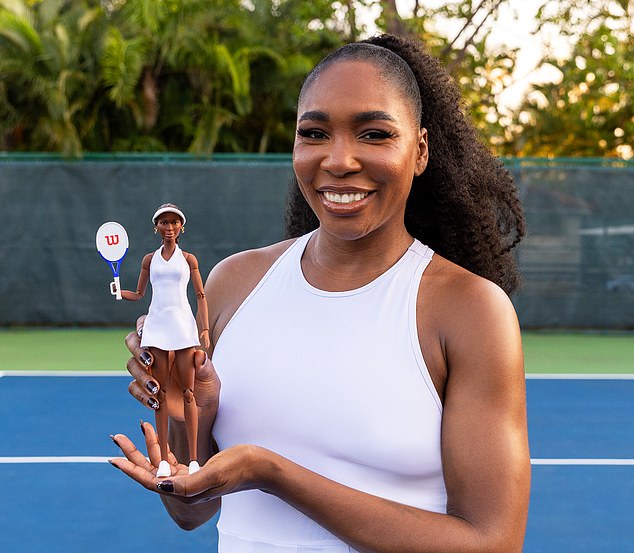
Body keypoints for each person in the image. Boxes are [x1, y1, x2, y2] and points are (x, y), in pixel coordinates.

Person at [109, 33, 530, 552]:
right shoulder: (235, 283)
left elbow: (493, 543)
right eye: (314, 133)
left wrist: (273, 472)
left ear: (420, 150)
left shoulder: (469, 310)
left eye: (374, 134)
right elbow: (189, 511)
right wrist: (183, 411)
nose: (338, 159)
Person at [115, 203, 210, 477]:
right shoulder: (149, 260)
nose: (169, 227)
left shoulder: (189, 259)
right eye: (164, 223)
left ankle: (193, 460)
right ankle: (165, 461)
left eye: (174, 222)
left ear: (182, 227)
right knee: (161, 392)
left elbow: (201, 296)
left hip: (182, 327)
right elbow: (140, 292)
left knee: (189, 393)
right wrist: (122, 293)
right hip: (157, 326)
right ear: (156, 227)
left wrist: (203, 329)